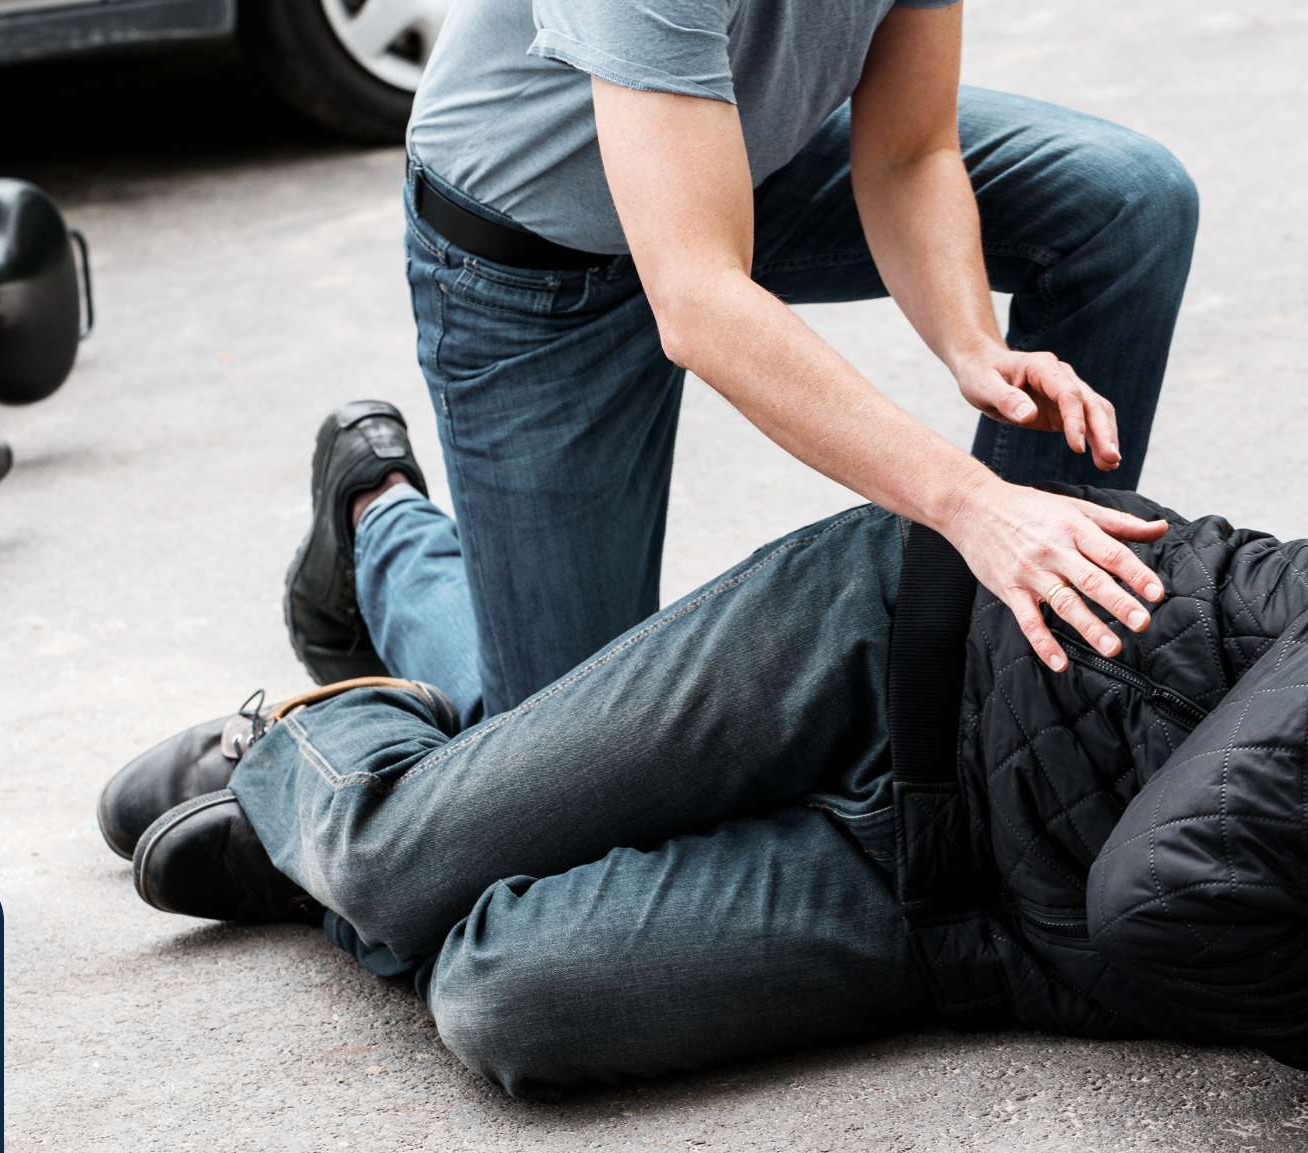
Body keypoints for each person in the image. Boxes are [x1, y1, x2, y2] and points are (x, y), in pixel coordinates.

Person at [105, 408, 1308, 1097]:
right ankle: (326, 711)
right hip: (905, 643)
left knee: (506, 1000)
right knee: (387, 861)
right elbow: (1164, 893)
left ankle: (377, 807)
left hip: (961, 918)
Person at [284, 0, 1201, 726]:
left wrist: (973, 344)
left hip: (740, 163)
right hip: (531, 268)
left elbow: (911, 152)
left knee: (1125, 200)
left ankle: (1001, 684)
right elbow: (701, 304)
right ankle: (379, 527)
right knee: (560, 763)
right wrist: (972, 504)